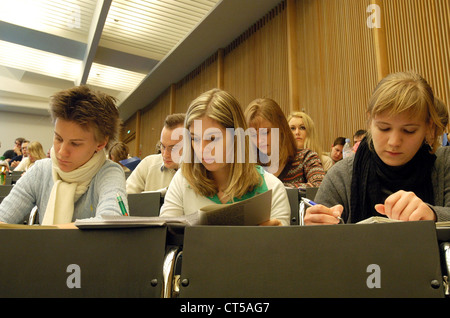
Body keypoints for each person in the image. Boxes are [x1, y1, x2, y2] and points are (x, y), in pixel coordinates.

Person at [305, 71, 450, 225]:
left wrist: (433, 215)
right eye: (384, 128)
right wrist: (315, 230)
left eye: (409, 131)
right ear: (370, 121)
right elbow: (312, 245)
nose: (394, 142)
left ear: (428, 127)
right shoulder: (341, 176)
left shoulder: (444, 164)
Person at [0, 85, 128, 228]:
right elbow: (3, 215)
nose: (61, 152)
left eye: (75, 144)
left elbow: (113, 222)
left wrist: (45, 232)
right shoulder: (40, 171)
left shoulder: (109, 173)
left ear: (101, 143)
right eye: (58, 138)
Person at [160, 89, 290, 226]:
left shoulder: (273, 188)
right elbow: (165, 239)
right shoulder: (182, 180)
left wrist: (276, 239)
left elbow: (282, 246)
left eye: (213, 138)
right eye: (195, 139)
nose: (202, 150)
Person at [245, 98, 325, 190]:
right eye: (253, 135)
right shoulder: (251, 165)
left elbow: (319, 187)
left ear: (281, 128)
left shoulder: (306, 158)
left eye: (265, 132)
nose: (259, 141)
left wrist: (274, 188)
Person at [126, 113, 186, 194]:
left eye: (173, 149)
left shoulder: (200, 172)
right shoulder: (148, 165)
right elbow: (125, 199)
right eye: (163, 146)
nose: (165, 155)